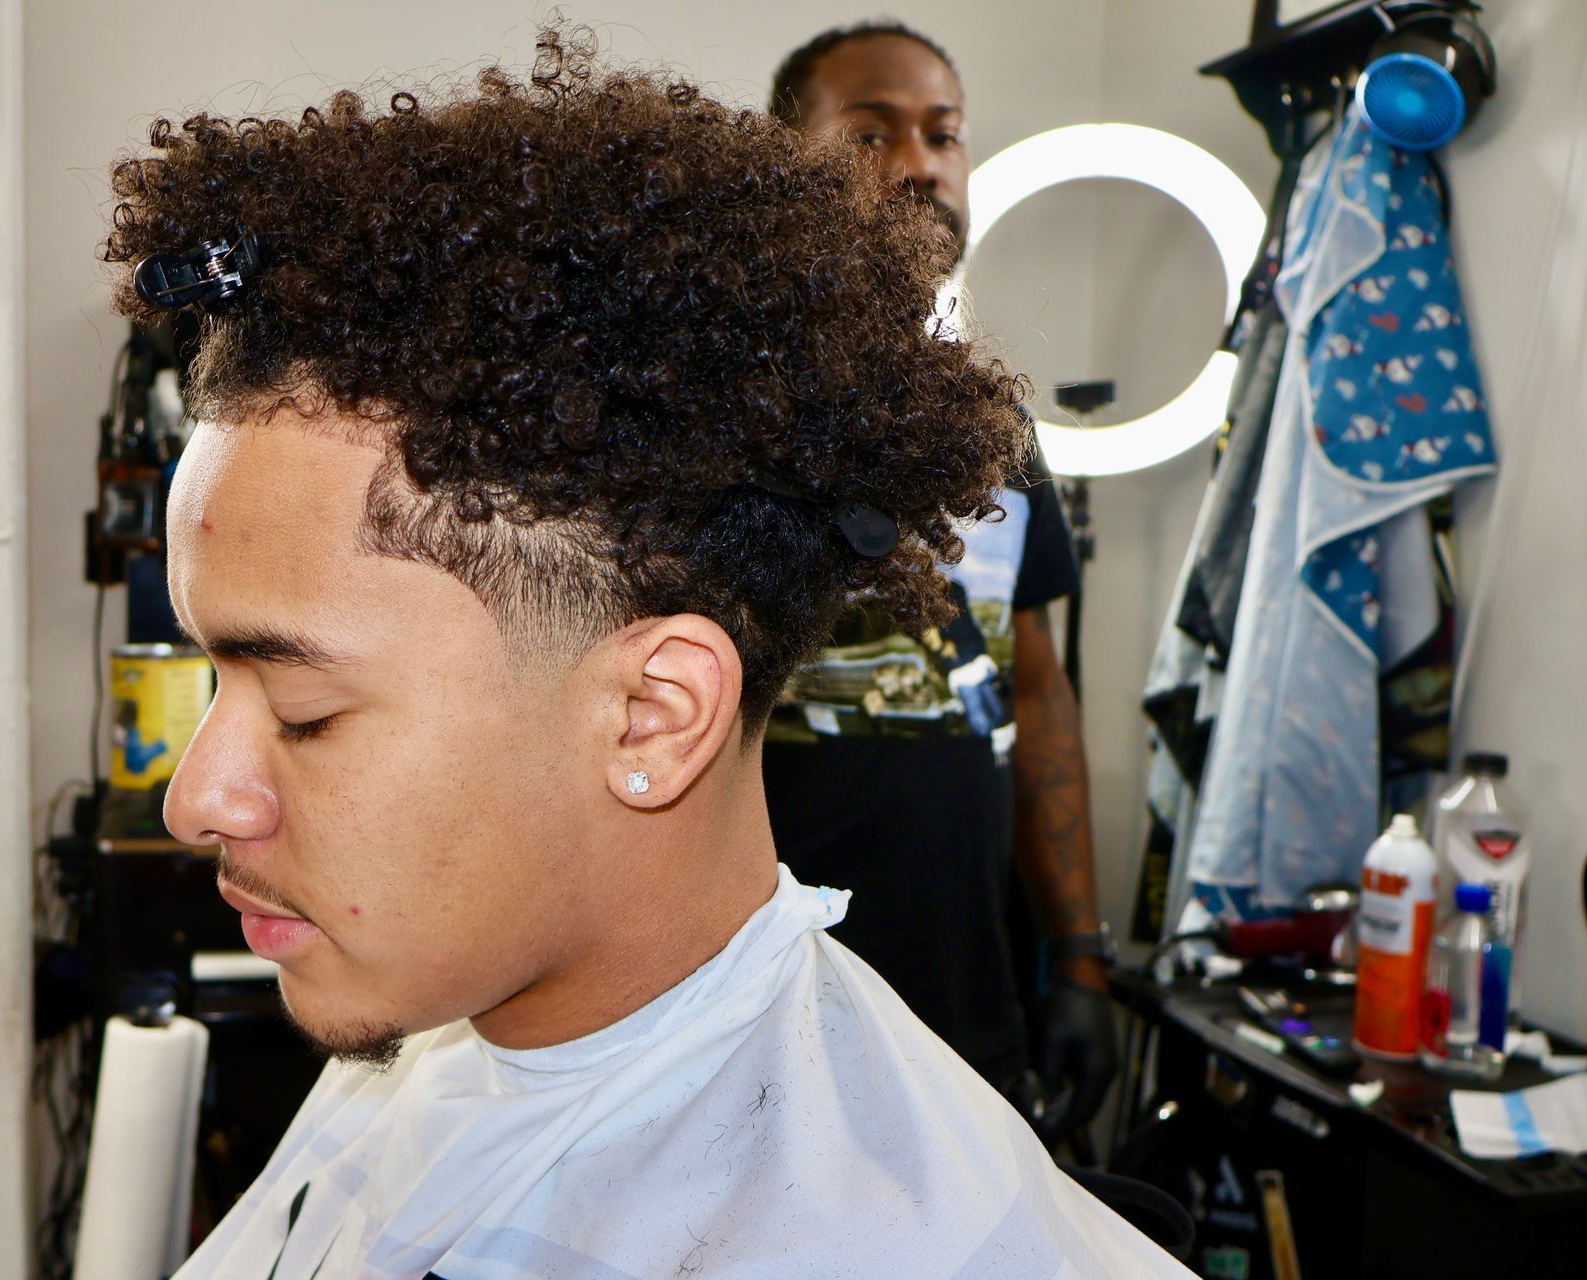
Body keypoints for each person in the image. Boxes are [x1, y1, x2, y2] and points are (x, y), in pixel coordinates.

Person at [103, 30, 1187, 1278]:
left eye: (302, 710)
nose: (198, 798)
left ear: (654, 714)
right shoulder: (447, 1039)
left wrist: (1079, 953)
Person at [765, 21, 1119, 1145]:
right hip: (762, 1013)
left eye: (943, 133)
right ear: (790, 158)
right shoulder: (716, 397)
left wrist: (1080, 954)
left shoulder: (989, 416)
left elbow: (1034, 684)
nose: (920, 163)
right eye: (871, 134)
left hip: (969, 1002)